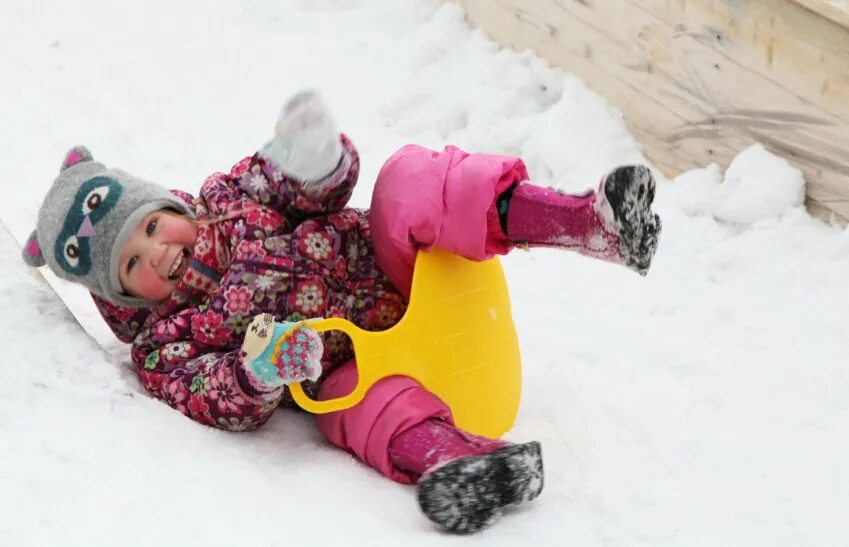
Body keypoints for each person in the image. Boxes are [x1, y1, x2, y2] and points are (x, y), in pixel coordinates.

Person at [21, 90, 660, 534]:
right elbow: (210, 396)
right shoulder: (165, 346)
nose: (158, 252)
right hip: (361, 359)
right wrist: (260, 373)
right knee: (349, 408)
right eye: (133, 264)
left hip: (400, 266)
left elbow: (311, 186)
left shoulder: (233, 193)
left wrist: (314, 158)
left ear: (170, 204)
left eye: (154, 225)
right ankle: (460, 463)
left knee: (408, 178)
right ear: (123, 295)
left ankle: (589, 223)